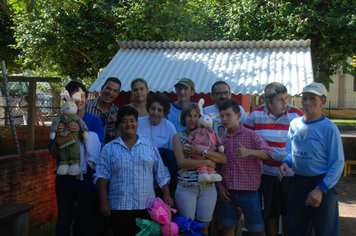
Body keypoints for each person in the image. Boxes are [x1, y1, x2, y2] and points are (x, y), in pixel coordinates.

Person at [278, 82, 344, 236]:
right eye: (305, 98)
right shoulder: (295, 124)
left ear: (323, 102)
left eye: (313, 99)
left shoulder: (329, 128)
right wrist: (286, 163)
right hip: (299, 182)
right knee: (296, 228)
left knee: (325, 230)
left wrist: (321, 189)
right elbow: (291, 152)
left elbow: (337, 163)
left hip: (323, 183)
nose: (307, 103)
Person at [95, 106, 173, 236]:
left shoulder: (149, 146)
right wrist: (104, 202)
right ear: (119, 125)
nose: (129, 124)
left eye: (132, 120)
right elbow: (101, 176)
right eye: (125, 121)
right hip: (119, 207)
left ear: (137, 122)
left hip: (146, 207)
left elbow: (161, 173)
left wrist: (167, 195)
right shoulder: (109, 148)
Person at [244, 82, 303, 236]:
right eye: (280, 100)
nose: (285, 103)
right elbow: (245, 140)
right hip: (265, 175)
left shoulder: (297, 115)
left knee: (289, 212)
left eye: (286, 98)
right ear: (268, 101)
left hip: (290, 175)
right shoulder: (255, 115)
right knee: (269, 213)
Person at [49, 81, 104, 236]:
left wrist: (82, 133)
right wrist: (60, 135)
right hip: (65, 179)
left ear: (86, 98)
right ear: (67, 100)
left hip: (87, 181)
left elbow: (99, 149)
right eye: (73, 96)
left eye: (81, 96)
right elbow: (54, 154)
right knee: (64, 219)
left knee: (87, 220)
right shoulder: (59, 122)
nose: (78, 100)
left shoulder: (94, 121)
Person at [217, 99, 273, 236]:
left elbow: (269, 154)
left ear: (238, 116)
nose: (224, 119)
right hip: (228, 192)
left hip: (249, 192)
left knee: (257, 229)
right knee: (228, 227)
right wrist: (220, 187)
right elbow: (216, 167)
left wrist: (250, 152)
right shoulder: (221, 140)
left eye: (228, 115)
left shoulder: (251, 135)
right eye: (222, 115)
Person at [173, 103, 226, 235]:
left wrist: (202, 152)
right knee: (188, 228)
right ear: (183, 118)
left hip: (208, 188)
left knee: (204, 227)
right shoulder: (178, 137)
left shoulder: (211, 135)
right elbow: (181, 162)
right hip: (187, 187)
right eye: (189, 116)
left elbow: (222, 159)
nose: (192, 119)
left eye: (196, 116)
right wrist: (208, 161)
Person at [205, 81, 246, 236]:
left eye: (226, 93)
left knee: (233, 207)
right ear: (212, 95)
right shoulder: (205, 110)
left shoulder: (239, 109)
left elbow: (240, 132)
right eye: (218, 93)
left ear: (230, 93)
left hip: (232, 163)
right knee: (212, 210)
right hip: (210, 163)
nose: (222, 96)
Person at [137, 93, 177, 193]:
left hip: (161, 182)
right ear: (148, 108)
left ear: (165, 113)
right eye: (153, 108)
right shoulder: (138, 122)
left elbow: (173, 154)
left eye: (160, 110)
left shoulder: (170, 127)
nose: (155, 113)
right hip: (139, 176)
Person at [85, 77, 121, 144]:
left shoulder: (117, 113)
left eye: (115, 91)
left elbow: (113, 140)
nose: (110, 92)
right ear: (102, 89)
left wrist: (111, 124)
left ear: (117, 95)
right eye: (108, 88)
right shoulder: (86, 105)